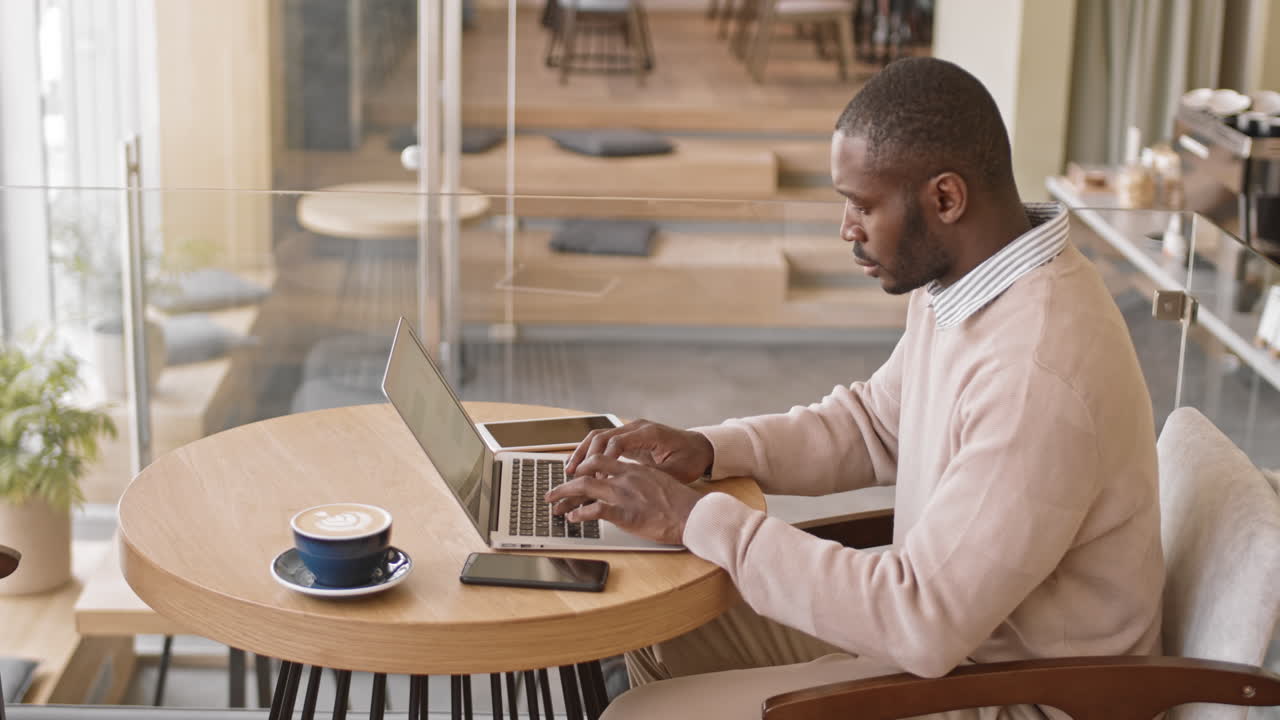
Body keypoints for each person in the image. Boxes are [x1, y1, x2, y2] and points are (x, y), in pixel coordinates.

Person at [545, 56, 1163, 720]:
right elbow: (875, 424)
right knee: (657, 625)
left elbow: (922, 621)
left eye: (862, 205)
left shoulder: (1039, 374)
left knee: (638, 717)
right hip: (957, 642)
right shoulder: (967, 282)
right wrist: (708, 450)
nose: (846, 229)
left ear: (945, 199)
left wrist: (694, 517)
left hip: (1022, 694)